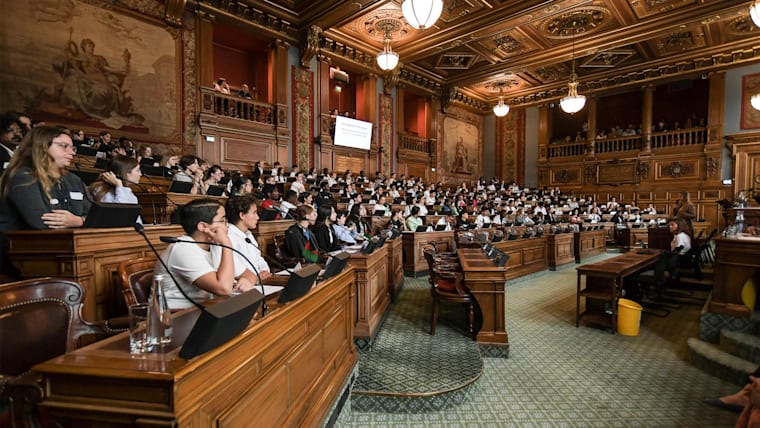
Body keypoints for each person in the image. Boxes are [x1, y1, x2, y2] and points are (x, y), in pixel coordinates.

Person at [154, 199, 253, 309]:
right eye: (222, 220)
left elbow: (250, 275)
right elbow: (224, 288)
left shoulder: (215, 245)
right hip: (177, 317)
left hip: (208, 309)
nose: (227, 225)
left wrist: (246, 280)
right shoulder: (182, 249)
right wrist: (227, 243)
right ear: (203, 227)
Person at [224, 195, 272, 288]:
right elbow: (233, 270)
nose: (257, 217)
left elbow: (259, 259)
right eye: (254, 213)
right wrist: (256, 277)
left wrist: (264, 271)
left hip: (258, 283)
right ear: (242, 215)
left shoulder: (248, 234)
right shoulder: (228, 236)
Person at [652, 218, 691, 292]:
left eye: (672, 225)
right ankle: (661, 281)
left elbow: (677, 250)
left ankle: (660, 282)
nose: (670, 226)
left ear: (679, 226)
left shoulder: (680, 236)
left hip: (679, 259)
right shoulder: (683, 235)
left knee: (658, 261)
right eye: (669, 225)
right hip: (682, 257)